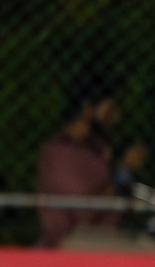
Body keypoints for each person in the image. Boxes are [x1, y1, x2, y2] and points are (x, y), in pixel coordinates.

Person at [36, 73, 148, 249]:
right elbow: (87, 214)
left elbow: (126, 201)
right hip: (71, 242)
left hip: (101, 238)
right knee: (154, 253)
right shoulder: (61, 153)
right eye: (109, 110)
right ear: (88, 110)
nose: (114, 118)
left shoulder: (94, 152)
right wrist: (123, 172)